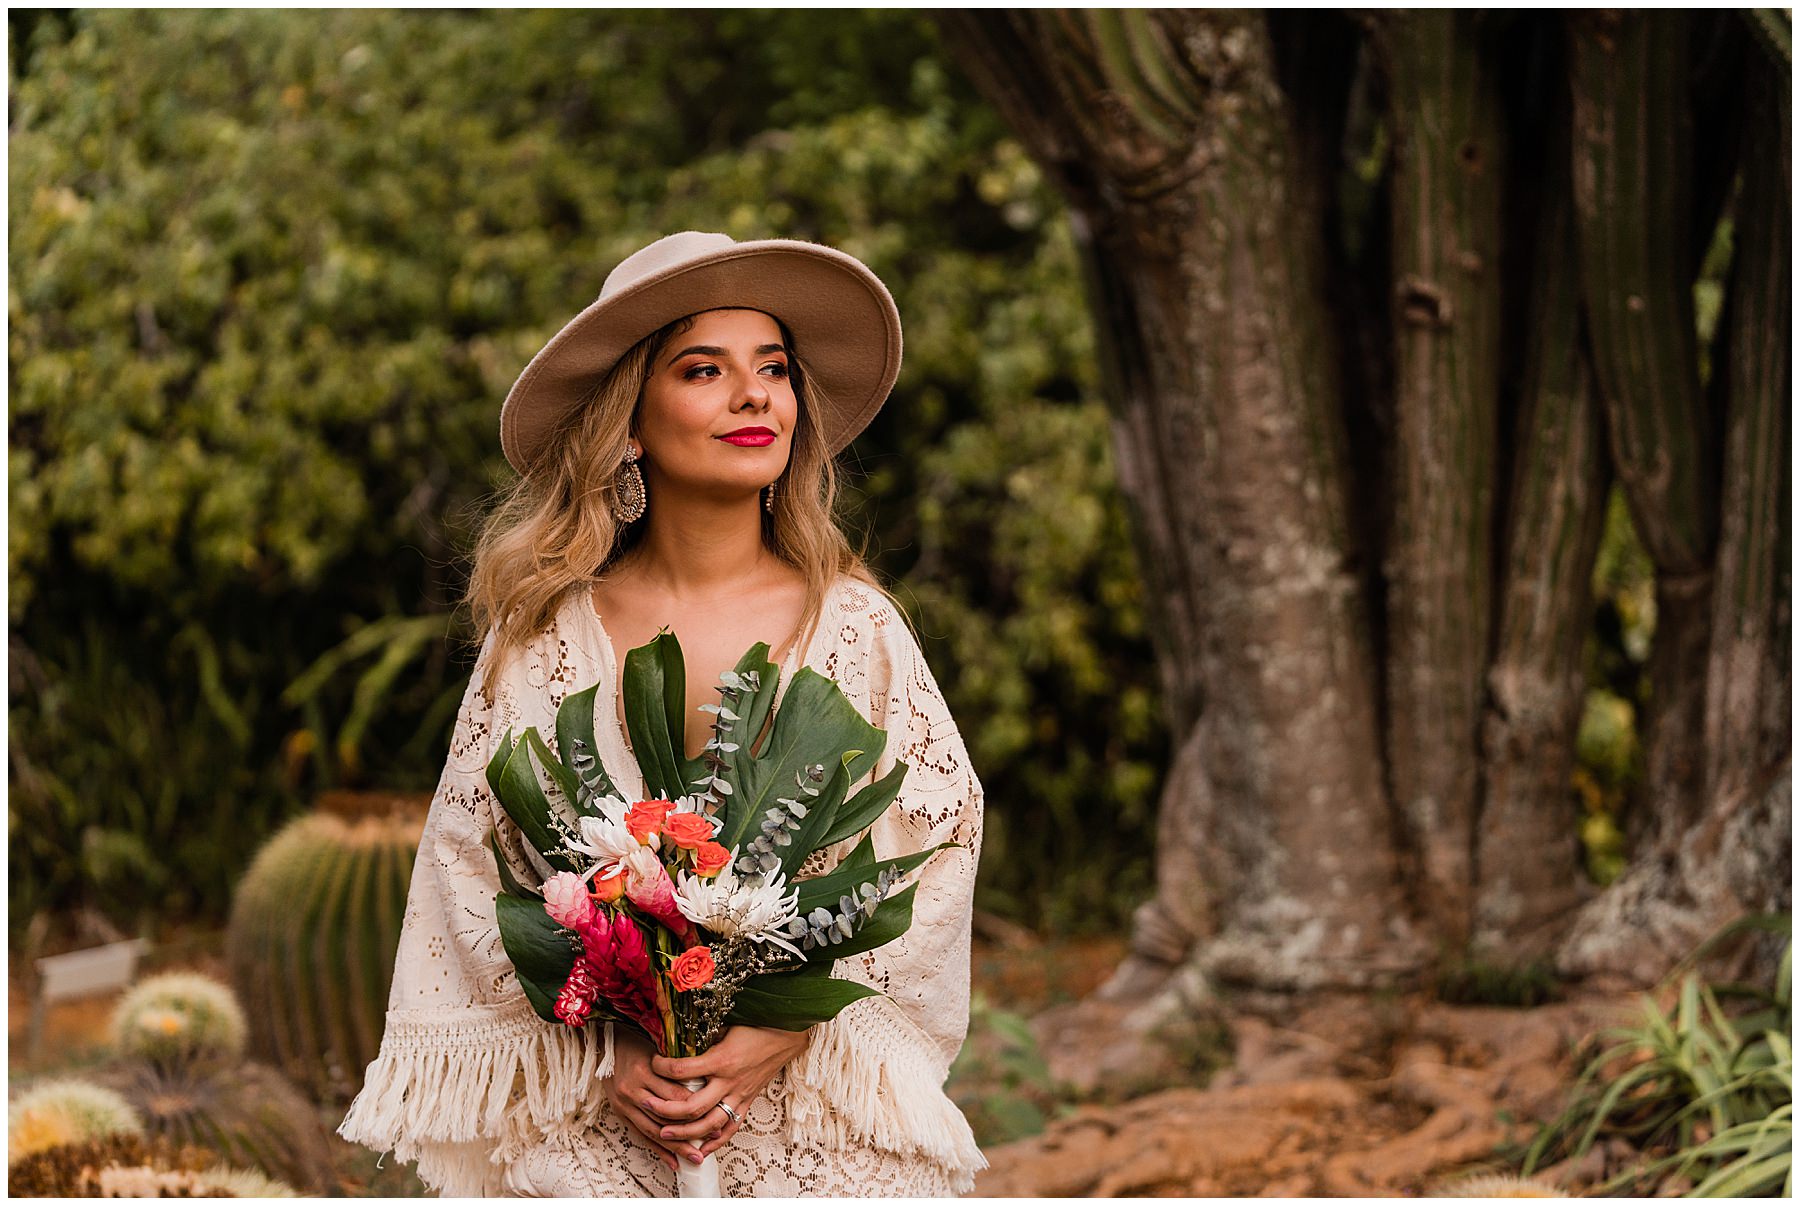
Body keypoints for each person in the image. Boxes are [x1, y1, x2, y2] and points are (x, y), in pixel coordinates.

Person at [337, 231, 988, 1196]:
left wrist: (783, 1029)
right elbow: (469, 862)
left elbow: (939, 843)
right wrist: (607, 1050)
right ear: (630, 421)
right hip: (604, 1115)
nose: (755, 394)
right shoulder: (548, 636)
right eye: (703, 370)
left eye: (773, 368)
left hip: (818, 1112)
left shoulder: (856, 626)